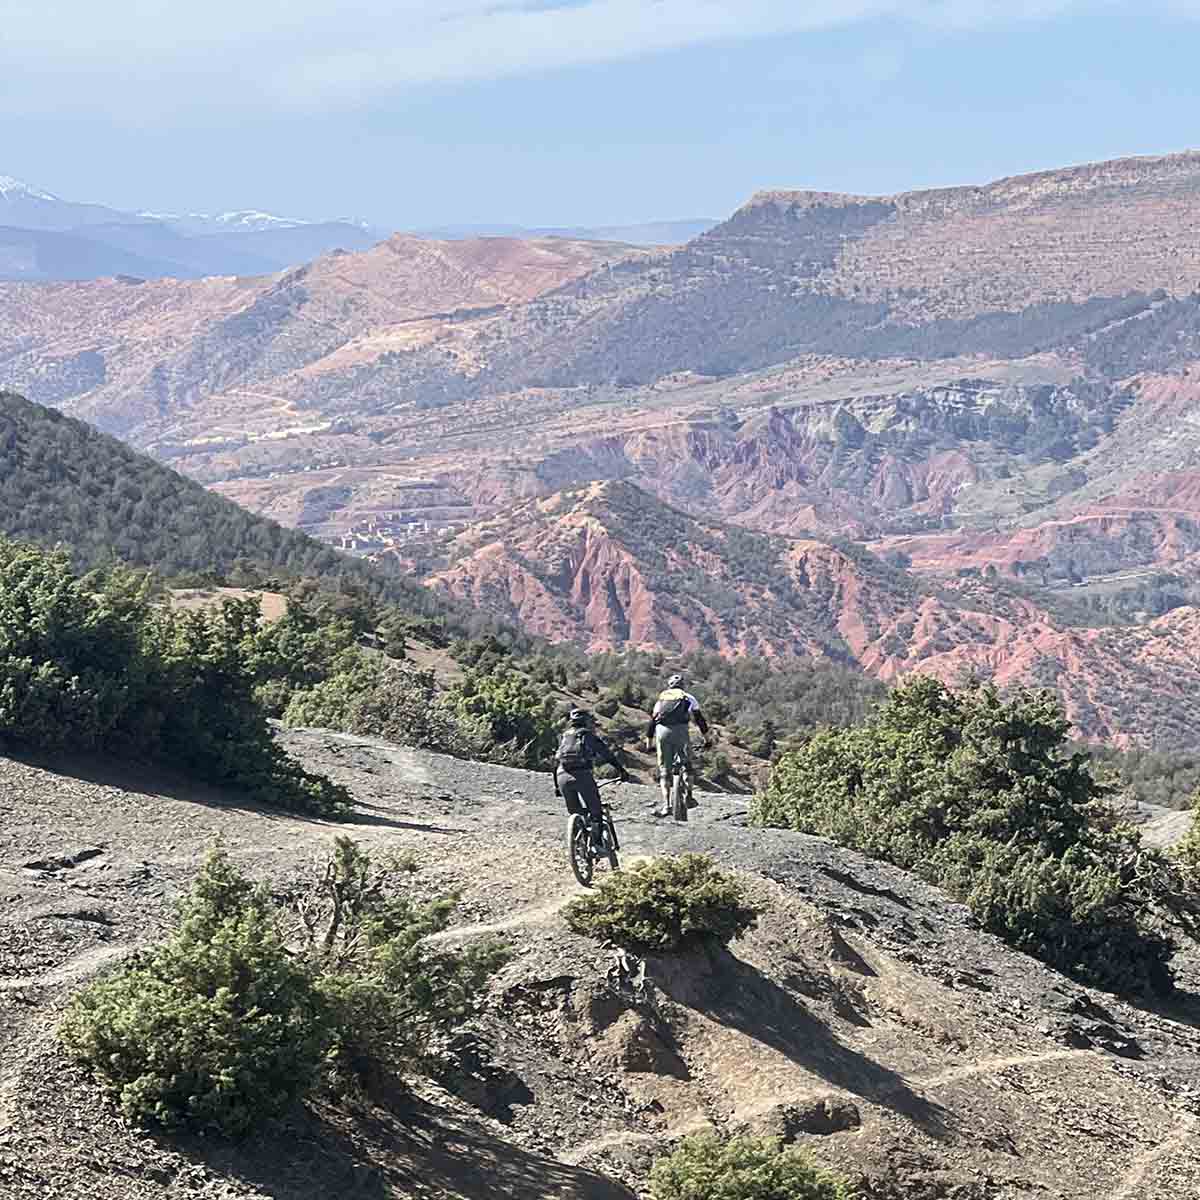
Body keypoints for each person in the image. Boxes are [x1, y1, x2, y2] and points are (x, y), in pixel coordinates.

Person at [554, 709, 629, 847]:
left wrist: (557, 787)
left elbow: (557, 760)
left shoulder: (564, 736)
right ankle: (597, 845)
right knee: (596, 812)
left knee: (575, 812)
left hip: (562, 776)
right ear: (587, 721)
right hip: (582, 776)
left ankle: (577, 845)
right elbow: (606, 754)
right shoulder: (587, 735)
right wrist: (621, 771)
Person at [645, 674, 710, 817]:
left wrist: (649, 744)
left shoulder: (661, 699)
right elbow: (700, 721)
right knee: (687, 764)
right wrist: (707, 740)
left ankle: (667, 806)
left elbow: (652, 723)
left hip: (662, 733)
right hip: (681, 732)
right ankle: (689, 796)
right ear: (683, 686)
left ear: (669, 686)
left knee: (664, 771)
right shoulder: (688, 698)